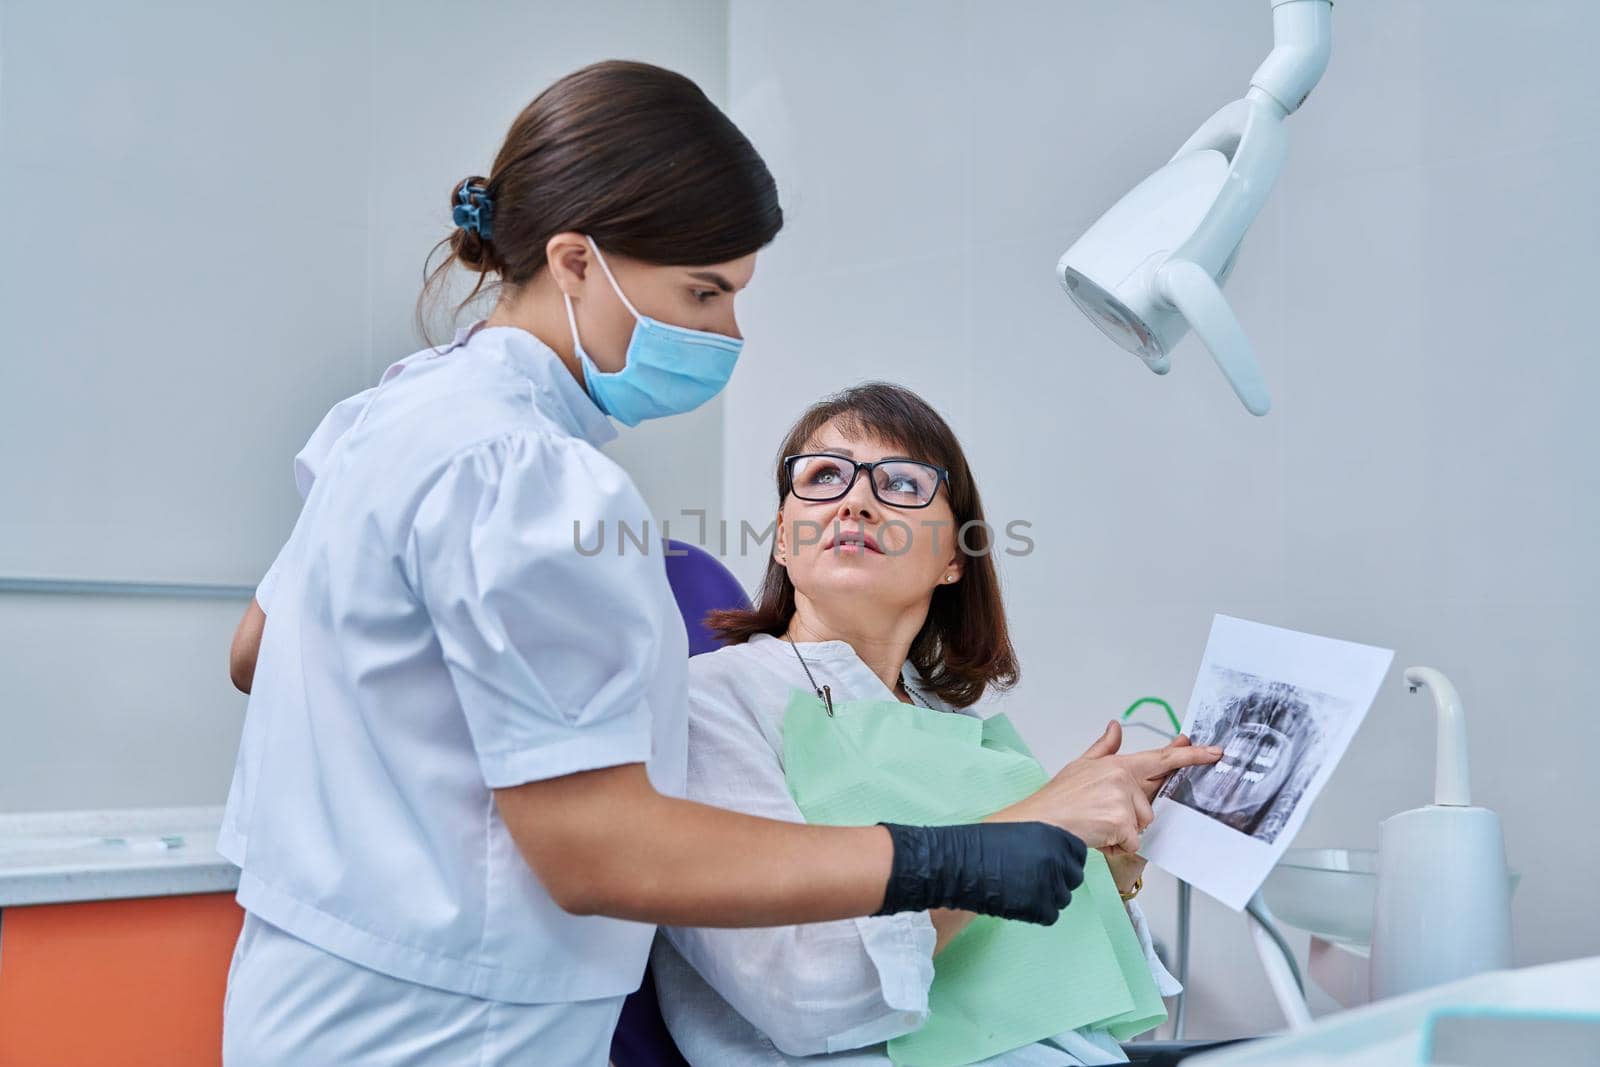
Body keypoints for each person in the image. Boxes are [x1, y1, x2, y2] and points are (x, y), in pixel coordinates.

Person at [220, 61, 1220, 1065]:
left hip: (317, 987)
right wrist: (955, 855)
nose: (725, 331)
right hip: (445, 1022)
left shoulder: (398, 410)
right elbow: (601, 849)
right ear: (574, 262)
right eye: (702, 291)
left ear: (960, 551)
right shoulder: (530, 476)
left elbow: (259, 646)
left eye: (902, 484)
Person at [653, 383, 1200, 1064]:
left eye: (902, 482)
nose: (854, 501)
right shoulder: (711, 701)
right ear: (785, 539)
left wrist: (1105, 869)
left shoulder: (956, 727)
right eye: (824, 475)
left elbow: (1036, 988)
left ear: (953, 558)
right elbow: (802, 993)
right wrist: (1032, 828)